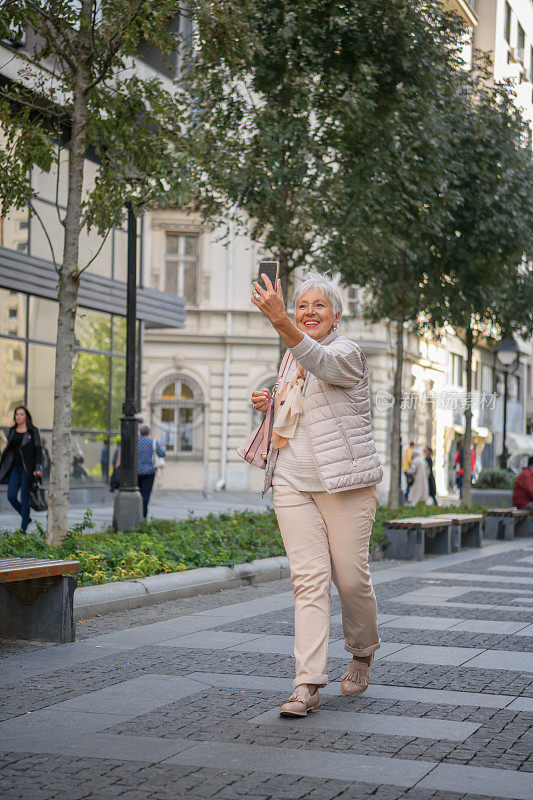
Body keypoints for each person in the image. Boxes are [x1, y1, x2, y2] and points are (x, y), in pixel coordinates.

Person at [251, 271, 383, 717]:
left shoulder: (348, 354)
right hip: (291, 479)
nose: (309, 312)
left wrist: (280, 321)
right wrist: (272, 400)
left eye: (318, 306)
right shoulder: (293, 359)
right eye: (302, 305)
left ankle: (362, 651)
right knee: (307, 581)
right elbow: (303, 401)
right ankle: (306, 684)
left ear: (337, 315)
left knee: (350, 579)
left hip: (344, 485)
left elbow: (321, 364)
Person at [0, 406, 42, 532]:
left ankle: (23, 527)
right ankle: (26, 517)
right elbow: (9, 450)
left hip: (27, 469)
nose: (18, 416)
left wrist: (37, 467)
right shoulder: (12, 430)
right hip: (14, 468)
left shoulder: (32, 431)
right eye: (17, 414)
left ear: (26, 416)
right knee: (11, 496)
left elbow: (38, 449)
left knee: (24, 497)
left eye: (21, 414)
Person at [137, 424, 165, 519]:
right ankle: (143, 516)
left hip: (137, 472)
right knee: (146, 494)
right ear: (149, 432)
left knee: (138, 493)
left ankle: (137, 514)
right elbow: (161, 454)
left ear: (140, 432)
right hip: (149, 472)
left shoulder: (136, 442)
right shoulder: (153, 442)